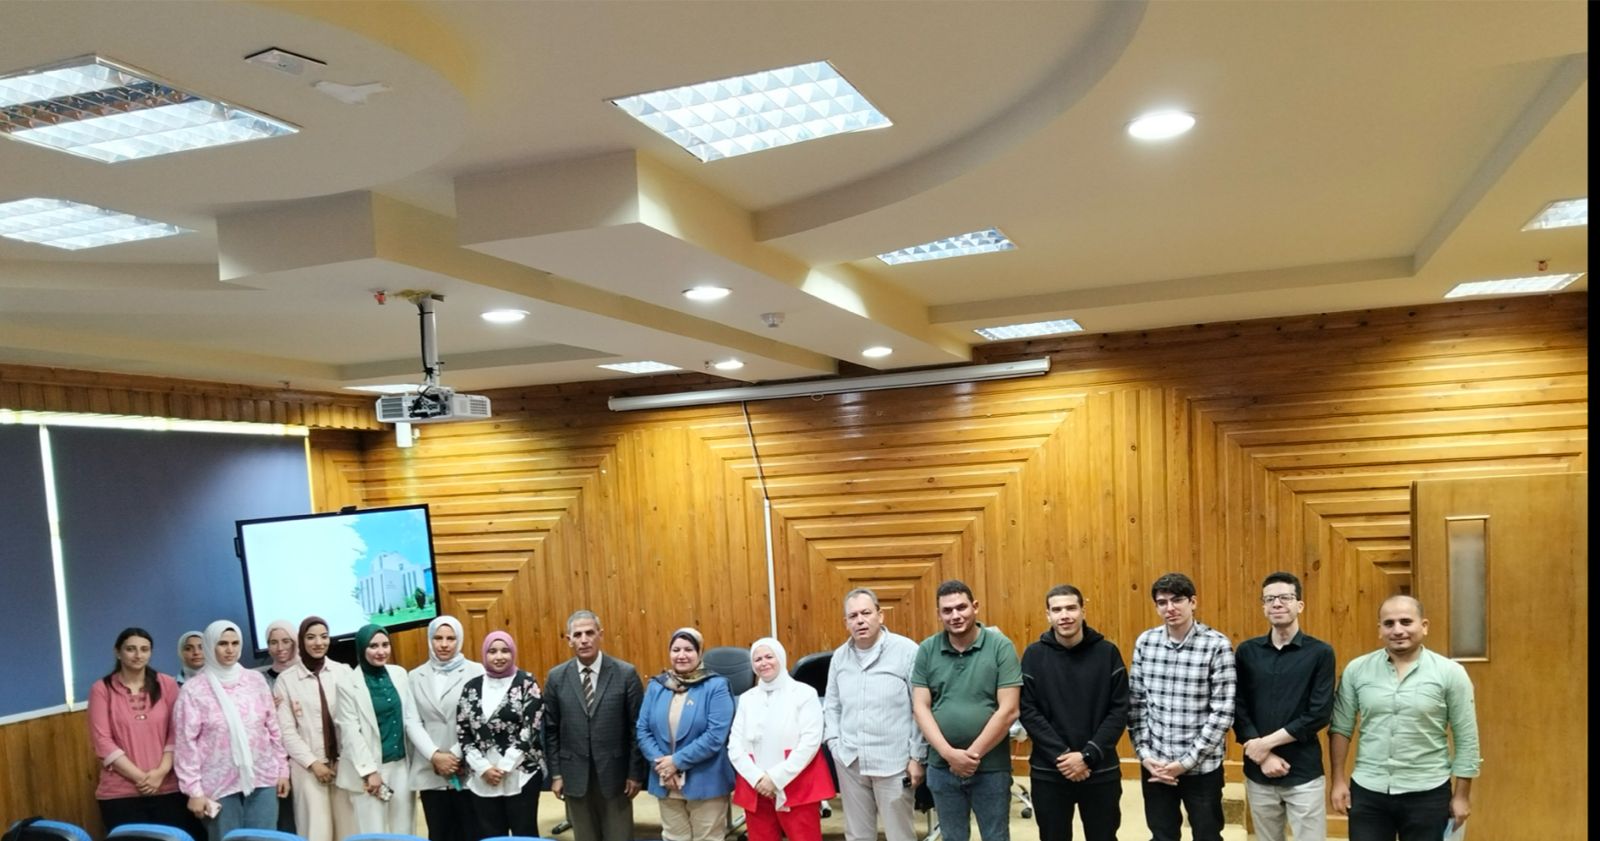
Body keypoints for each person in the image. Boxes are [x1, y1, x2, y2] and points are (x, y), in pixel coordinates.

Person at [1329, 596, 1480, 841]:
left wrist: (1462, 795)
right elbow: (1341, 728)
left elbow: (1466, 737)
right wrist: (1337, 781)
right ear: (1380, 629)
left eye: (1406, 622)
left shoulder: (1450, 673)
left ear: (1424, 626)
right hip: (1369, 791)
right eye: (1389, 623)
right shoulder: (1357, 670)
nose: (1398, 630)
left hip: (1428, 792)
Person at [1127, 572, 1236, 841]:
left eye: (1177, 600)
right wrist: (1144, 754)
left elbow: (1222, 712)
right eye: (1162, 602)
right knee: (1161, 835)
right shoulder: (1146, 642)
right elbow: (1136, 704)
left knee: (1208, 835)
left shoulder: (1217, 645)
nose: (1170, 608)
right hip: (1156, 764)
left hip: (1201, 766)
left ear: (1193, 602)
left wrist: (1184, 763)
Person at [910, 579, 1022, 841]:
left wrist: (971, 756)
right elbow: (920, 707)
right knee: (952, 837)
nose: (955, 615)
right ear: (939, 614)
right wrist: (949, 755)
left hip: (991, 767)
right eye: (947, 610)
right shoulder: (927, 649)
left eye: (961, 607)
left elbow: (1009, 710)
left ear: (975, 607)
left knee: (996, 837)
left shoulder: (1000, 646)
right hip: (942, 767)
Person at [1018, 584, 1129, 841]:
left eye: (1071, 608)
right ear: (1048, 615)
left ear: (1083, 611)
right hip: (1050, 772)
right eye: (1057, 610)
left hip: (1100, 770)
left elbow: (1119, 710)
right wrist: (1063, 756)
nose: (1064, 615)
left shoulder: (1108, 653)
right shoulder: (1033, 656)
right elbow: (1028, 711)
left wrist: (1088, 756)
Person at [1234, 572, 1336, 841]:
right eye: (1269, 599)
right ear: (1263, 607)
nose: (1277, 603)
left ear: (1299, 605)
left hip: (1303, 772)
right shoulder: (1246, 652)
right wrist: (1263, 755)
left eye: (1284, 598)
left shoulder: (1320, 653)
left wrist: (1264, 744)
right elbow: (1238, 707)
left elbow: (1319, 713)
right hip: (1258, 772)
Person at [822, 588, 926, 841]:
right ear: (846, 622)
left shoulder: (907, 651)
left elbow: (921, 707)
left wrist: (917, 757)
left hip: (894, 762)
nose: (860, 620)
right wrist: (834, 744)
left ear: (880, 615)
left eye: (866, 613)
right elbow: (832, 706)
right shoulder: (839, 657)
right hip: (850, 760)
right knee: (857, 835)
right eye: (853, 616)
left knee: (900, 836)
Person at [172, 620, 290, 841]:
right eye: (222, 644)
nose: (230, 650)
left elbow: (273, 729)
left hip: (263, 776)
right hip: (217, 784)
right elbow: (185, 744)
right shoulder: (193, 690)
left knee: (265, 839)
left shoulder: (255, 680)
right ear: (210, 646)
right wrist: (193, 790)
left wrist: (282, 770)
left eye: (235, 643)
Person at [89, 628, 202, 840]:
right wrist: (141, 778)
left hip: (169, 788)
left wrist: (160, 772)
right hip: (120, 794)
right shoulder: (102, 689)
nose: (138, 655)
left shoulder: (167, 684)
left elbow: (178, 732)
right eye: (130, 649)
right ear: (118, 652)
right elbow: (102, 741)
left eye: (144, 649)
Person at [544, 610, 647, 841]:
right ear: (569, 640)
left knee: (619, 837)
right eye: (577, 634)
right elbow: (550, 730)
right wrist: (556, 773)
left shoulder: (625, 674)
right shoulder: (556, 677)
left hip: (616, 776)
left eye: (589, 633)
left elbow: (637, 729)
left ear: (600, 635)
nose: (584, 640)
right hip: (574, 775)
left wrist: (635, 773)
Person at [728, 637, 834, 841]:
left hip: (797, 785)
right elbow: (734, 745)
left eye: (769, 657)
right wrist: (757, 779)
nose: (763, 663)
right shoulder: (747, 698)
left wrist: (775, 779)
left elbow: (810, 743)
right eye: (757, 659)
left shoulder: (805, 693)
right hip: (755, 787)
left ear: (781, 658)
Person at [635, 627, 736, 841]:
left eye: (689, 649)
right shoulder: (656, 686)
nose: (681, 655)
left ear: (700, 652)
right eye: (676, 650)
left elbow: (715, 736)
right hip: (665, 779)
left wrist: (676, 762)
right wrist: (663, 766)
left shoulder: (716, 686)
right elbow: (643, 730)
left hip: (706, 780)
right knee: (673, 837)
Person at [273, 616, 356, 841]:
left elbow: (353, 720)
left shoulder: (344, 672)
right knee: (316, 831)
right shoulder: (286, 680)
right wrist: (314, 763)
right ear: (301, 641)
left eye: (324, 637)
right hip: (307, 768)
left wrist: (343, 757)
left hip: (344, 764)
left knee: (349, 829)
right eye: (311, 637)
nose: (319, 643)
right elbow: (286, 731)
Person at [456, 630, 545, 838]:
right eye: (492, 651)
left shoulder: (527, 683)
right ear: (484, 654)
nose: (499, 656)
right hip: (482, 775)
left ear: (513, 652)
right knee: (490, 834)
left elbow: (531, 728)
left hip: (521, 773)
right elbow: (463, 731)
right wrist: (483, 768)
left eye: (505, 650)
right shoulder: (471, 687)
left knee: (524, 833)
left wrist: (505, 767)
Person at [407, 615, 485, 841]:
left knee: (471, 831)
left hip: (466, 767)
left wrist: (454, 755)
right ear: (430, 639)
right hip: (430, 768)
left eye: (450, 638)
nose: (444, 644)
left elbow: (478, 720)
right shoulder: (415, 675)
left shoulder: (476, 671)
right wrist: (435, 756)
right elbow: (412, 721)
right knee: (439, 832)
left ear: (459, 640)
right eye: (438, 638)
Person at [335, 624, 418, 835]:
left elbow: (410, 718)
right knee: (373, 833)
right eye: (373, 646)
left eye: (385, 645)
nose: (381, 651)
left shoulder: (400, 674)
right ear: (361, 648)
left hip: (401, 765)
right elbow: (350, 732)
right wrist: (370, 772)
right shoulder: (347, 683)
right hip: (369, 769)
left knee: (404, 831)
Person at [257, 619, 299, 833]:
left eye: (286, 641)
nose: (280, 648)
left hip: (305, 756)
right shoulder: (258, 680)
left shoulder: (306, 674)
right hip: (275, 759)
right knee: (285, 819)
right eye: (273, 642)